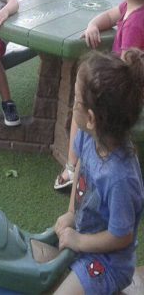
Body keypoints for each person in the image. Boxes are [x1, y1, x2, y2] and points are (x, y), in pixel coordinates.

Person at [54, 0, 144, 190]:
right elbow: (109, 15)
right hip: (122, 82)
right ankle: (83, 161)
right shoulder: (130, 7)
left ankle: (73, 167)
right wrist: (94, 24)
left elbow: (127, 72)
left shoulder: (137, 23)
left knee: (82, 103)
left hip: (125, 90)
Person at [54, 50, 144, 294]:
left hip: (108, 263)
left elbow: (121, 237)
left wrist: (79, 241)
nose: (72, 107)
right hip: (84, 237)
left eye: (75, 100)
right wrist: (71, 213)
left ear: (91, 118)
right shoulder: (87, 136)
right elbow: (81, 168)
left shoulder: (120, 177)